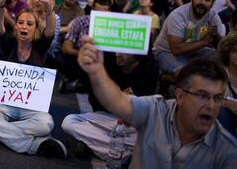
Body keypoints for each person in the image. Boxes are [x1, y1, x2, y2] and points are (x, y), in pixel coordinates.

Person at [78, 36, 237, 167]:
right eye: (202, 95)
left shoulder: (226, 151)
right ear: (180, 96)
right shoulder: (155, 109)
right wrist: (96, 70)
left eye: (217, 98)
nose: (211, 106)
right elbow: (118, 102)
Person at [0, 0, 67, 159]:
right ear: (16, 26)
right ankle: (33, 145)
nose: (24, 26)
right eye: (20, 22)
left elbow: (50, 30)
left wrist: (49, 9)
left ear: (35, 29)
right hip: (6, 106)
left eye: (29, 24)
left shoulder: (40, 47)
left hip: (32, 109)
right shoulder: (9, 44)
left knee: (46, 123)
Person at [62, 51, 159, 159]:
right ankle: (122, 153)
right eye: (117, 49)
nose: (118, 54)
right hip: (107, 117)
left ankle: (93, 144)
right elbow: (95, 101)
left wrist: (131, 101)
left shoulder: (150, 68)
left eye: (125, 51)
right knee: (68, 122)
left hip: (131, 125)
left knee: (151, 139)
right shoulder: (108, 61)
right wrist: (116, 98)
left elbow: (146, 113)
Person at [153, 0, 225, 76]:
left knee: (222, 58)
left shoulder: (213, 15)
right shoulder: (178, 15)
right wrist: (204, 42)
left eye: (207, 0)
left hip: (195, 51)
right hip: (167, 51)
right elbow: (176, 49)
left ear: (212, 3)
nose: (202, 2)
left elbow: (223, 45)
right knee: (187, 75)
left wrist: (216, 36)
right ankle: (164, 79)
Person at [58, 0, 111, 93]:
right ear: (92, 10)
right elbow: (66, 47)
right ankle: (79, 82)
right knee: (61, 59)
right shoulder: (80, 21)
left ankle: (79, 85)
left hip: (104, 62)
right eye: (98, 13)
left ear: (110, 12)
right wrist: (82, 54)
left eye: (104, 14)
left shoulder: (114, 26)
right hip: (79, 59)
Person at [217, 33, 237, 137]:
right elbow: (209, 98)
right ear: (227, 53)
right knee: (222, 113)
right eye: (234, 51)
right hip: (226, 118)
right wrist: (226, 103)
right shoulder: (219, 74)